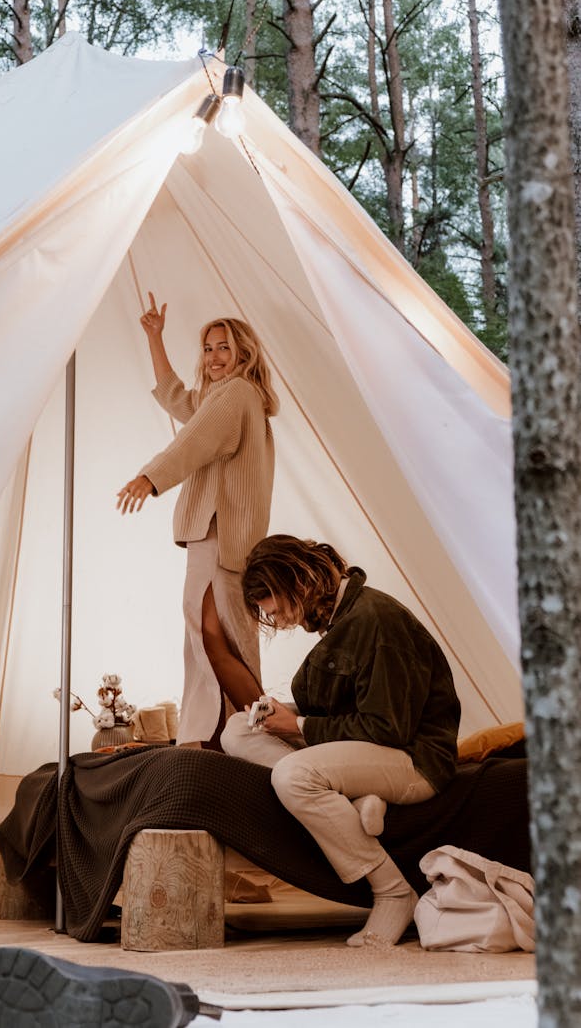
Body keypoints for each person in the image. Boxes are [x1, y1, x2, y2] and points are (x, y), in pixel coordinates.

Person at [221, 534, 461, 948]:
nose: (284, 623)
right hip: (372, 752)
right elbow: (347, 709)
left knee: (293, 778)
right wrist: (284, 714)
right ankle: (351, 800)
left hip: (412, 759)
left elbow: (389, 728)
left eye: (281, 610)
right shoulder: (341, 622)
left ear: (299, 581)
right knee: (237, 730)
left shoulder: (376, 620)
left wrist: (297, 727)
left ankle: (392, 891)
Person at [117, 293, 279, 748]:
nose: (213, 356)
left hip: (217, 533)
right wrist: (154, 338)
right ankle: (234, 734)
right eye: (208, 348)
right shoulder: (223, 398)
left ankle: (247, 733)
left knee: (212, 637)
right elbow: (177, 400)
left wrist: (149, 478)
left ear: (243, 353)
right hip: (219, 536)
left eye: (223, 347)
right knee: (216, 637)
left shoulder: (237, 395)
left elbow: (195, 442)